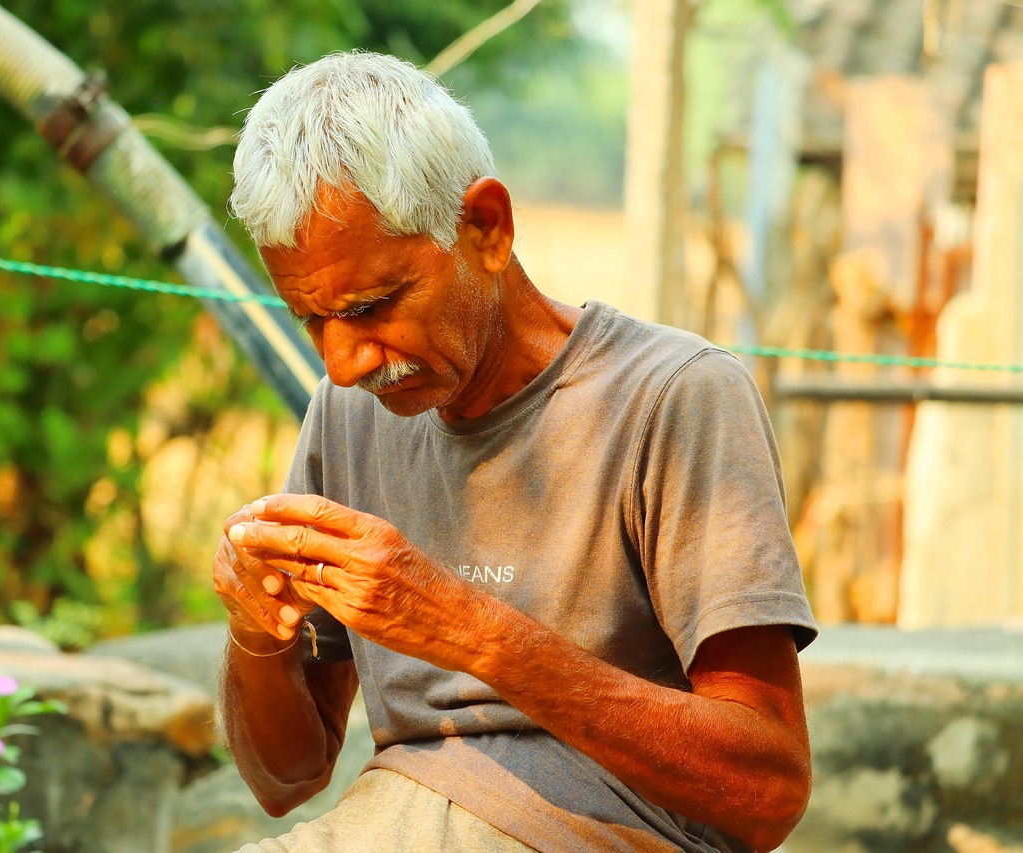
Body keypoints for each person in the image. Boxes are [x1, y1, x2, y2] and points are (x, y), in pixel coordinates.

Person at [212, 50, 817, 853]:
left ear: (486, 229)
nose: (344, 363)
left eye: (372, 306)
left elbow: (768, 793)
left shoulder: (675, 395)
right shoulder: (347, 414)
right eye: (312, 320)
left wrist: (469, 630)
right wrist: (255, 625)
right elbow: (286, 779)